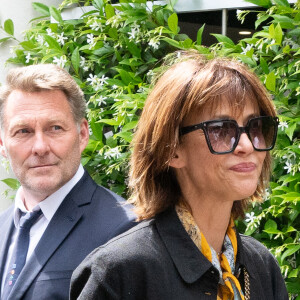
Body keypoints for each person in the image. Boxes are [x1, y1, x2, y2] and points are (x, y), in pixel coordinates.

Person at [70, 51, 288, 300]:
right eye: (220, 130)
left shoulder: (261, 266)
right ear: (172, 149)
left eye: (255, 127)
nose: (247, 145)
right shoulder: (119, 272)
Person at [0, 64, 136, 300]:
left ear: (83, 134)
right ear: (2, 144)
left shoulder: (126, 231)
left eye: (55, 128)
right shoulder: (2, 227)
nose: (40, 147)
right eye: (23, 131)